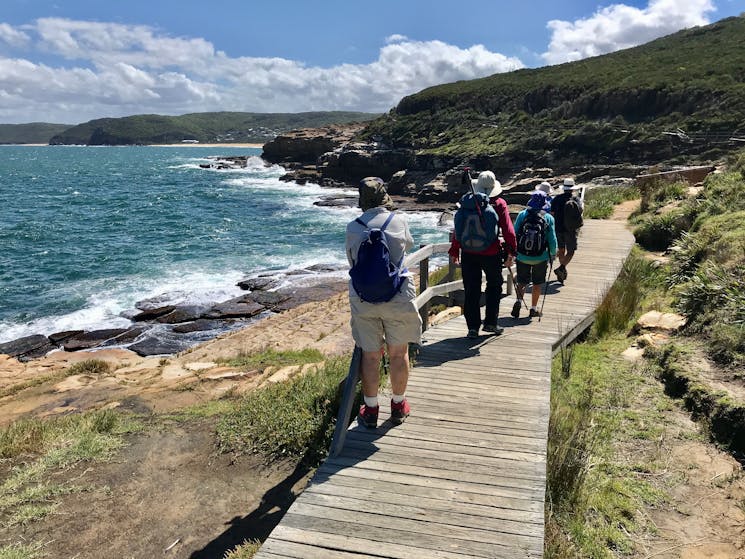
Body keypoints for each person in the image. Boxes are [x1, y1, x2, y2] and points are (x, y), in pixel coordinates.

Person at [346, 177, 421, 429]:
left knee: (370, 356)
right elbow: (407, 245)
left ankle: (371, 409)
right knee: (398, 353)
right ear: (384, 197)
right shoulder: (398, 220)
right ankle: (398, 406)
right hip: (397, 294)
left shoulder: (353, 227)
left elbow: (352, 261)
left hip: (364, 297)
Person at [449, 170, 516, 338]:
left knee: (471, 289)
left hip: (469, 253)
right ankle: (491, 323)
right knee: (494, 286)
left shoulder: (467, 203)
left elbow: (458, 229)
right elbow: (508, 231)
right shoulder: (499, 203)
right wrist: (511, 252)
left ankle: (472, 328)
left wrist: (455, 249)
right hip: (491, 253)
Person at [511, 191, 557, 319]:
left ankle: (518, 302)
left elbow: (514, 234)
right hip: (540, 257)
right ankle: (533, 309)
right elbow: (552, 239)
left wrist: (513, 252)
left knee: (521, 281)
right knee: (537, 284)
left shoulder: (522, 215)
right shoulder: (548, 218)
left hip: (522, 256)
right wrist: (553, 254)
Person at [550, 177, 583, 284]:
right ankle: (561, 268)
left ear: (563, 188)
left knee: (561, 250)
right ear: (573, 189)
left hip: (558, 229)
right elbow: (580, 212)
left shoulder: (556, 199)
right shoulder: (575, 199)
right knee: (571, 251)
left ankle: (562, 271)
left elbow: (552, 214)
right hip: (570, 230)